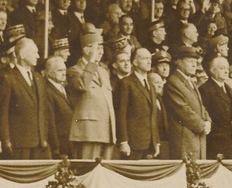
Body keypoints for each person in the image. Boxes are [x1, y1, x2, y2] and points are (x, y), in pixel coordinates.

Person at [0, 37, 52, 159]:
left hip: (40, 143)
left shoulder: (38, 78)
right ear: (21, 55)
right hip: (18, 143)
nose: (38, 56)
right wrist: (5, 140)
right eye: (34, 53)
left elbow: (43, 111)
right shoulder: (7, 78)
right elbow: (2, 113)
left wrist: (44, 137)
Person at [65, 27, 117, 159]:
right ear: (86, 50)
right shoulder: (74, 70)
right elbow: (82, 86)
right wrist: (92, 61)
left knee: (104, 173)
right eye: (97, 48)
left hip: (106, 130)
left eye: (102, 48)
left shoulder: (103, 71)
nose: (101, 51)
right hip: (88, 132)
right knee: (87, 170)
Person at [163, 46, 211, 160]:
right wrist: (202, 125)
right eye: (190, 61)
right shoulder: (173, 82)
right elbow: (182, 109)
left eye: (195, 62)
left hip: (196, 138)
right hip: (184, 141)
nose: (194, 65)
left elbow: (200, 105)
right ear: (179, 62)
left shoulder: (190, 82)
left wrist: (208, 120)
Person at [114, 46, 161, 159]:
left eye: (149, 58)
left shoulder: (150, 83)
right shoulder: (125, 83)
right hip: (132, 144)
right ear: (135, 62)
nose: (149, 61)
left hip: (150, 143)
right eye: (145, 58)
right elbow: (121, 114)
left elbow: (153, 115)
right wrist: (123, 142)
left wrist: (156, 141)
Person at [201, 55, 232, 159]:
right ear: (212, 70)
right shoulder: (205, 90)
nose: (226, 71)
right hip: (218, 146)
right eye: (222, 68)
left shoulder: (228, 88)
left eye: (227, 68)